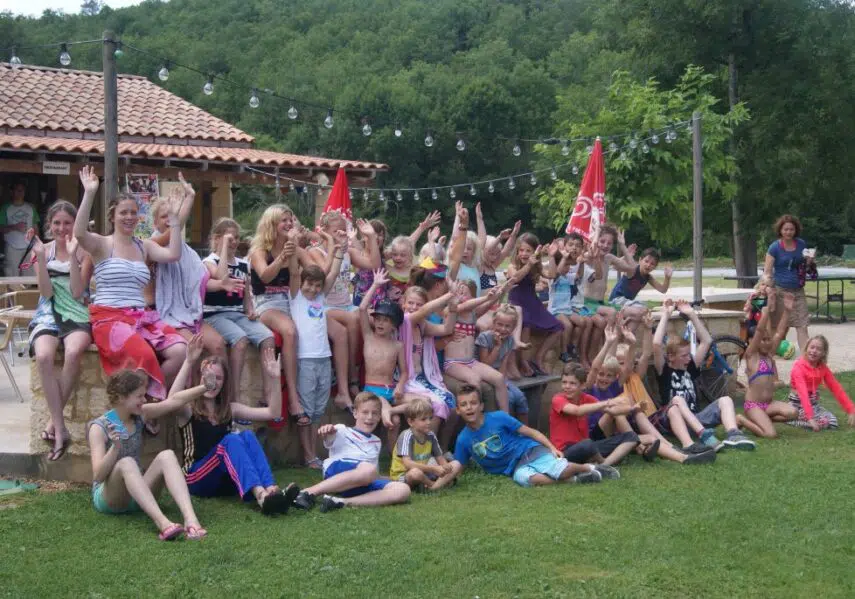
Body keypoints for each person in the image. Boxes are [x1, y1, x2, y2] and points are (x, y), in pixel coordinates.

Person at [73, 166, 188, 432]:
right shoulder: (102, 244)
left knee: (180, 350)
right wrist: (90, 193)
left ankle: (145, 404)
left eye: (133, 213)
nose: (129, 217)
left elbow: (173, 254)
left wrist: (173, 220)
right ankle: (145, 411)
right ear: (112, 216)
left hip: (140, 316)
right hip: (109, 317)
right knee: (144, 354)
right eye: (123, 212)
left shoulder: (143, 245)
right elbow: (79, 234)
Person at [165, 334, 299, 514]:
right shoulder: (188, 409)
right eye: (208, 377)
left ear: (224, 383)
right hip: (195, 478)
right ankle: (261, 496)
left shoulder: (229, 409)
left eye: (218, 378)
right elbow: (171, 400)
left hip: (224, 479)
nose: (212, 382)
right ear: (199, 379)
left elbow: (272, 413)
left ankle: (272, 490)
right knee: (231, 440)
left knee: (247, 435)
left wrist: (274, 378)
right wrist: (189, 361)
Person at [87, 369, 207, 540]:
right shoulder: (99, 427)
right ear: (122, 397)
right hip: (111, 499)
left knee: (167, 455)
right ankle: (164, 525)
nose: (144, 400)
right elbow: (98, 476)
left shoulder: (141, 414)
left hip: (139, 495)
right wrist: (115, 448)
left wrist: (206, 387)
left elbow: (173, 401)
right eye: (139, 396)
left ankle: (192, 521)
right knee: (127, 462)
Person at [27, 201, 92, 460]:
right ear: (49, 225)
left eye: (67, 223)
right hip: (48, 311)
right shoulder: (41, 250)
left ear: (74, 225)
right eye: (57, 223)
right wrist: (41, 260)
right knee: (43, 356)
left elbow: (78, 292)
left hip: (76, 311)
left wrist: (75, 257)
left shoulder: (84, 251)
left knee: (74, 350)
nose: (62, 228)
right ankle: (61, 426)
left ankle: (53, 423)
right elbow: (45, 292)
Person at [454, 384, 615, 487]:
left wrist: (551, 448)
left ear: (481, 406)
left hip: (529, 451)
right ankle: (577, 480)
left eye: (473, 403)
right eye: (464, 405)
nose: (469, 408)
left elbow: (531, 432)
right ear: (458, 410)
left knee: (559, 470)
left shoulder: (498, 417)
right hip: (515, 468)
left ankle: (591, 468)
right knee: (525, 479)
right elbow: (458, 466)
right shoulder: (463, 439)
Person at [652, 299, 756, 451]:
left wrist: (691, 314)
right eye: (684, 356)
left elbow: (706, 341)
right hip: (674, 420)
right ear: (671, 357)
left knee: (725, 399)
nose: (689, 358)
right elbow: (656, 344)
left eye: (689, 355)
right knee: (677, 399)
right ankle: (703, 436)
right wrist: (666, 314)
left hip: (695, 419)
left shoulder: (691, 367)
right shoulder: (664, 370)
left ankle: (733, 434)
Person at [202, 218, 278, 412]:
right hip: (216, 313)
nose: (234, 242)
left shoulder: (244, 264)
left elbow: (246, 291)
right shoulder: (209, 261)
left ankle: (267, 394)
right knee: (240, 340)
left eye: (236, 238)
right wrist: (224, 250)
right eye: (229, 238)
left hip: (238, 313)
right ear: (217, 239)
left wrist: (250, 309)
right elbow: (221, 277)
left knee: (268, 337)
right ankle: (233, 394)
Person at [148, 176, 227, 360]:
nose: (169, 219)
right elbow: (172, 232)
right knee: (195, 348)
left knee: (218, 344)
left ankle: (226, 390)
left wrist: (222, 284)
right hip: (165, 315)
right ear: (155, 223)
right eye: (163, 216)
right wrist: (190, 199)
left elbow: (199, 282)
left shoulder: (188, 251)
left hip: (189, 314)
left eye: (171, 215)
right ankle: (189, 389)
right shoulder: (151, 244)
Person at [292, 392, 411, 512]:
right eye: (365, 412)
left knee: (403, 489)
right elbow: (330, 435)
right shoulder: (341, 430)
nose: (370, 417)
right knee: (368, 471)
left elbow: (374, 474)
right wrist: (327, 431)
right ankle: (307, 492)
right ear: (355, 413)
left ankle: (339, 502)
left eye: (374, 413)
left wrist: (392, 478)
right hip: (337, 471)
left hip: (362, 480)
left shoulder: (376, 441)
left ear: (379, 417)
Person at [287, 233, 347, 469]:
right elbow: (293, 271)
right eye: (309, 284)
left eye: (316, 285)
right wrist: (292, 245)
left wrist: (339, 251)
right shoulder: (295, 297)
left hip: (324, 358)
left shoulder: (320, 297)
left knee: (318, 411)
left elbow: (332, 274)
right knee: (306, 411)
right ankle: (309, 456)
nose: (312, 288)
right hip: (305, 359)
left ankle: (314, 454)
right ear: (302, 283)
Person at [309, 214, 381, 399]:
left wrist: (371, 237)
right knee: (353, 318)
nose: (340, 234)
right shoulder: (315, 252)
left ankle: (380, 376)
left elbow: (374, 265)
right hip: (324, 305)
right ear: (324, 232)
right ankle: (353, 377)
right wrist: (336, 249)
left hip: (346, 305)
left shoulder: (348, 251)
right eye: (335, 231)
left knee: (382, 318)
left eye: (343, 230)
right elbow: (321, 279)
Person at [248, 204, 305, 423]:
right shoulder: (258, 250)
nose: (289, 224)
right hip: (265, 302)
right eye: (284, 220)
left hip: (288, 301)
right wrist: (284, 255)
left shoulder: (293, 248)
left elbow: (293, 286)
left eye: (291, 220)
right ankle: (292, 398)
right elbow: (264, 276)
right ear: (272, 224)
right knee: (289, 331)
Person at [550, 362, 641, 467]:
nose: (567, 386)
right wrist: (608, 402)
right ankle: (602, 463)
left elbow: (613, 411)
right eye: (564, 382)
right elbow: (577, 411)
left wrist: (632, 408)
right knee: (587, 444)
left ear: (583, 385)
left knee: (632, 436)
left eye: (572, 383)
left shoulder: (586, 398)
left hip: (587, 448)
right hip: (565, 452)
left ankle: (603, 465)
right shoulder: (558, 399)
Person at [442, 280, 510, 411]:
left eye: (465, 293)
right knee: (475, 379)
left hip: (471, 362)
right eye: (458, 292)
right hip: (452, 363)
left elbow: (490, 303)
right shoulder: (451, 311)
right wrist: (486, 297)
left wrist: (501, 291)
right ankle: (478, 416)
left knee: (499, 378)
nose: (460, 296)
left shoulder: (473, 315)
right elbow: (464, 305)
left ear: (473, 297)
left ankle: (505, 418)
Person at [737, 298, 799, 438]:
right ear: (752, 342)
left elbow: (779, 332)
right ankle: (742, 419)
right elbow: (759, 330)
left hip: (769, 404)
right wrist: (765, 313)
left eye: (768, 339)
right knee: (770, 434)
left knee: (794, 413)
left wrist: (787, 311)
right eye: (762, 340)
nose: (766, 342)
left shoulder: (770, 357)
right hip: (754, 405)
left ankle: (762, 419)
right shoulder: (752, 356)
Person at [358, 268, 408, 446]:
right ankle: (387, 411)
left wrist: (400, 387)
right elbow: (362, 308)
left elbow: (404, 372)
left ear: (394, 325)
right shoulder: (368, 337)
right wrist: (375, 284)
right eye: (378, 319)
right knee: (389, 415)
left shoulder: (397, 345)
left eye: (385, 320)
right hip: (370, 390)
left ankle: (394, 459)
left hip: (390, 390)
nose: (380, 323)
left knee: (398, 420)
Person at [507, 233, 563, 377]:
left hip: (532, 301)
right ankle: (522, 361)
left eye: (528, 250)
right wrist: (528, 265)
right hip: (517, 302)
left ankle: (539, 356)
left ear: (534, 252)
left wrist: (551, 256)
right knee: (526, 323)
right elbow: (515, 278)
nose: (524, 254)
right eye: (521, 250)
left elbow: (552, 275)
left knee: (558, 327)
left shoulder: (535, 265)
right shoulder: (512, 265)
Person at [764, 214, 814, 351]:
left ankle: (806, 360)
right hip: (780, 290)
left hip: (798, 291)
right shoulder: (774, 247)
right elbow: (767, 272)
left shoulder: (801, 244)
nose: (788, 232)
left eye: (791, 229)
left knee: (802, 325)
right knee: (779, 326)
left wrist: (809, 261)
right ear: (780, 230)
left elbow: (806, 266)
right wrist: (768, 287)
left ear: (795, 230)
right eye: (785, 229)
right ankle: (771, 356)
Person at [389, 398, 462, 490]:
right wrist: (434, 469)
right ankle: (434, 485)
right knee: (415, 473)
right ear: (410, 422)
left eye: (430, 418)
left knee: (456, 464)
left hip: (424, 472)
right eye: (423, 419)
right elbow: (408, 464)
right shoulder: (406, 436)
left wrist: (445, 467)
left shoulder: (431, 435)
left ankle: (431, 486)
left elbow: (440, 458)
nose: (428, 422)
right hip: (403, 475)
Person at [785, 335, 855, 431]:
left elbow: (836, 388)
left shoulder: (823, 368)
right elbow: (803, 393)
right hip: (798, 404)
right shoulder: (798, 367)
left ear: (823, 353)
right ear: (806, 348)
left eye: (818, 349)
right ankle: (792, 418)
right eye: (812, 347)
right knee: (822, 422)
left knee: (833, 422)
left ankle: (806, 420)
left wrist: (851, 409)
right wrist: (810, 418)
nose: (814, 351)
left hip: (813, 405)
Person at [475, 305, 530, 423]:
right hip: (484, 374)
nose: (503, 329)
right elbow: (485, 364)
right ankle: (506, 427)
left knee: (520, 397)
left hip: (499, 376)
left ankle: (523, 431)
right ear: (494, 323)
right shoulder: (484, 337)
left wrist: (504, 382)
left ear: (513, 327)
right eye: (499, 324)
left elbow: (504, 364)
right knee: (509, 399)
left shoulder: (510, 340)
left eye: (507, 326)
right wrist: (497, 347)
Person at [609, 248, 672, 321]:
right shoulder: (633, 269)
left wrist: (667, 278)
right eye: (646, 261)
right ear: (640, 260)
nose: (648, 265)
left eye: (652, 264)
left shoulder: (648, 277)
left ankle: (627, 329)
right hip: (616, 301)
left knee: (643, 310)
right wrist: (626, 256)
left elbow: (663, 290)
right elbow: (615, 266)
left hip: (627, 303)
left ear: (655, 267)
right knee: (642, 308)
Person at [1, 180, 39, 276]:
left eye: (22, 190)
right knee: (12, 276)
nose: (20, 192)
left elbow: (35, 227)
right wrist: (14, 227)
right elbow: (1, 228)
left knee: (30, 275)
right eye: (18, 190)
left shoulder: (31, 207)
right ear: (12, 192)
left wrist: (37, 243)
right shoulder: (5, 208)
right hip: (12, 246)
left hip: (29, 247)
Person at [743, 274, 775, 341]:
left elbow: (771, 309)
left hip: (763, 324)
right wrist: (750, 299)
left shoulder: (770, 298)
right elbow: (746, 309)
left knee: (757, 334)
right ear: (759, 285)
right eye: (763, 284)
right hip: (751, 323)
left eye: (767, 286)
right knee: (749, 333)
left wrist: (770, 296)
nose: (765, 287)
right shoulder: (754, 296)